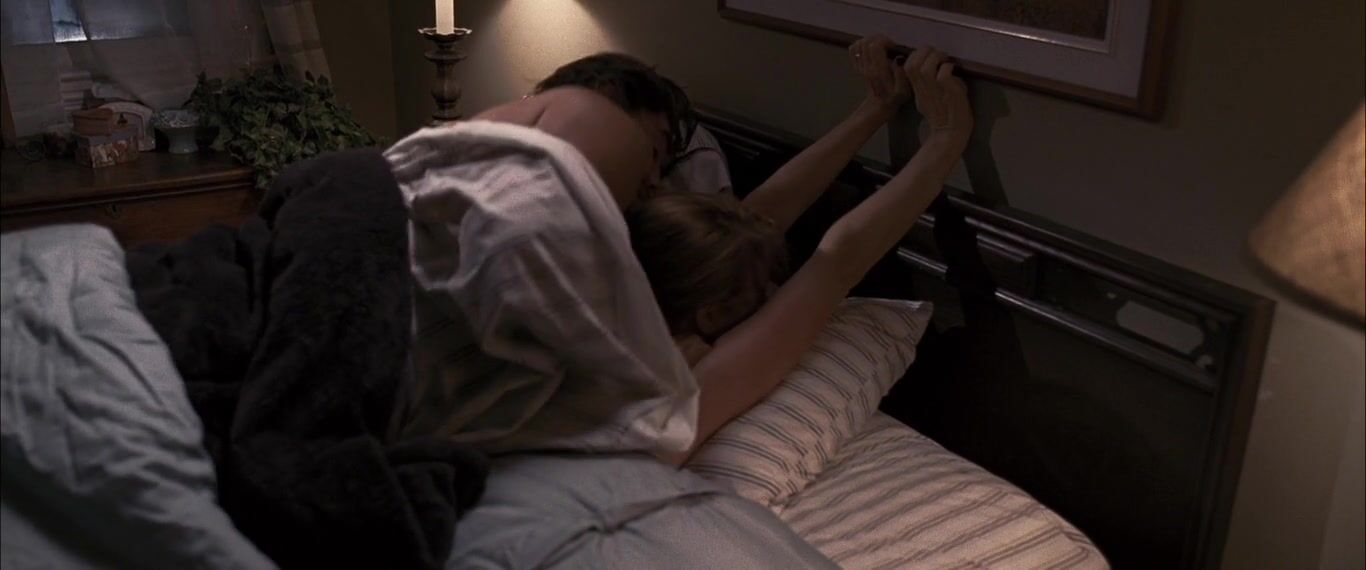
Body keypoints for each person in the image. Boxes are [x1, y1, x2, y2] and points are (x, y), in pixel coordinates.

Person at [625, 37, 975, 464]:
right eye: (766, 292)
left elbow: (758, 215)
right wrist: (947, 137)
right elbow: (838, 263)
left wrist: (877, 107)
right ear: (712, 315)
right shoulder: (672, 405)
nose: (776, 296)